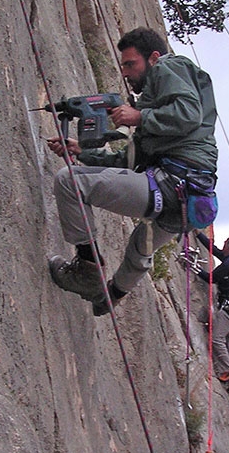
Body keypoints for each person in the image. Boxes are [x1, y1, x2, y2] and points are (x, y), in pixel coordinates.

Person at [47, 27, 218, 316]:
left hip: (173, 185)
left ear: (152, 58)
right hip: (186, 204)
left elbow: (189, 113)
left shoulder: (168, 65)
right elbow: (127, 163)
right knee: (141, 248)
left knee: (69, 182)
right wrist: (82, 152)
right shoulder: (157, 121)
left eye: (130, 64)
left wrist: (140, 116)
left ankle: (88, 273)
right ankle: (110, 296)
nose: (125, 72)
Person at [194, 232, 229, 389]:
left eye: (226, 242)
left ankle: (226, 370)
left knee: (216, 337)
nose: (223, 242)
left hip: (228, 308)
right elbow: (214, 250)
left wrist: (193, 268)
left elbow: (211, 278)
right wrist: (199, 235)